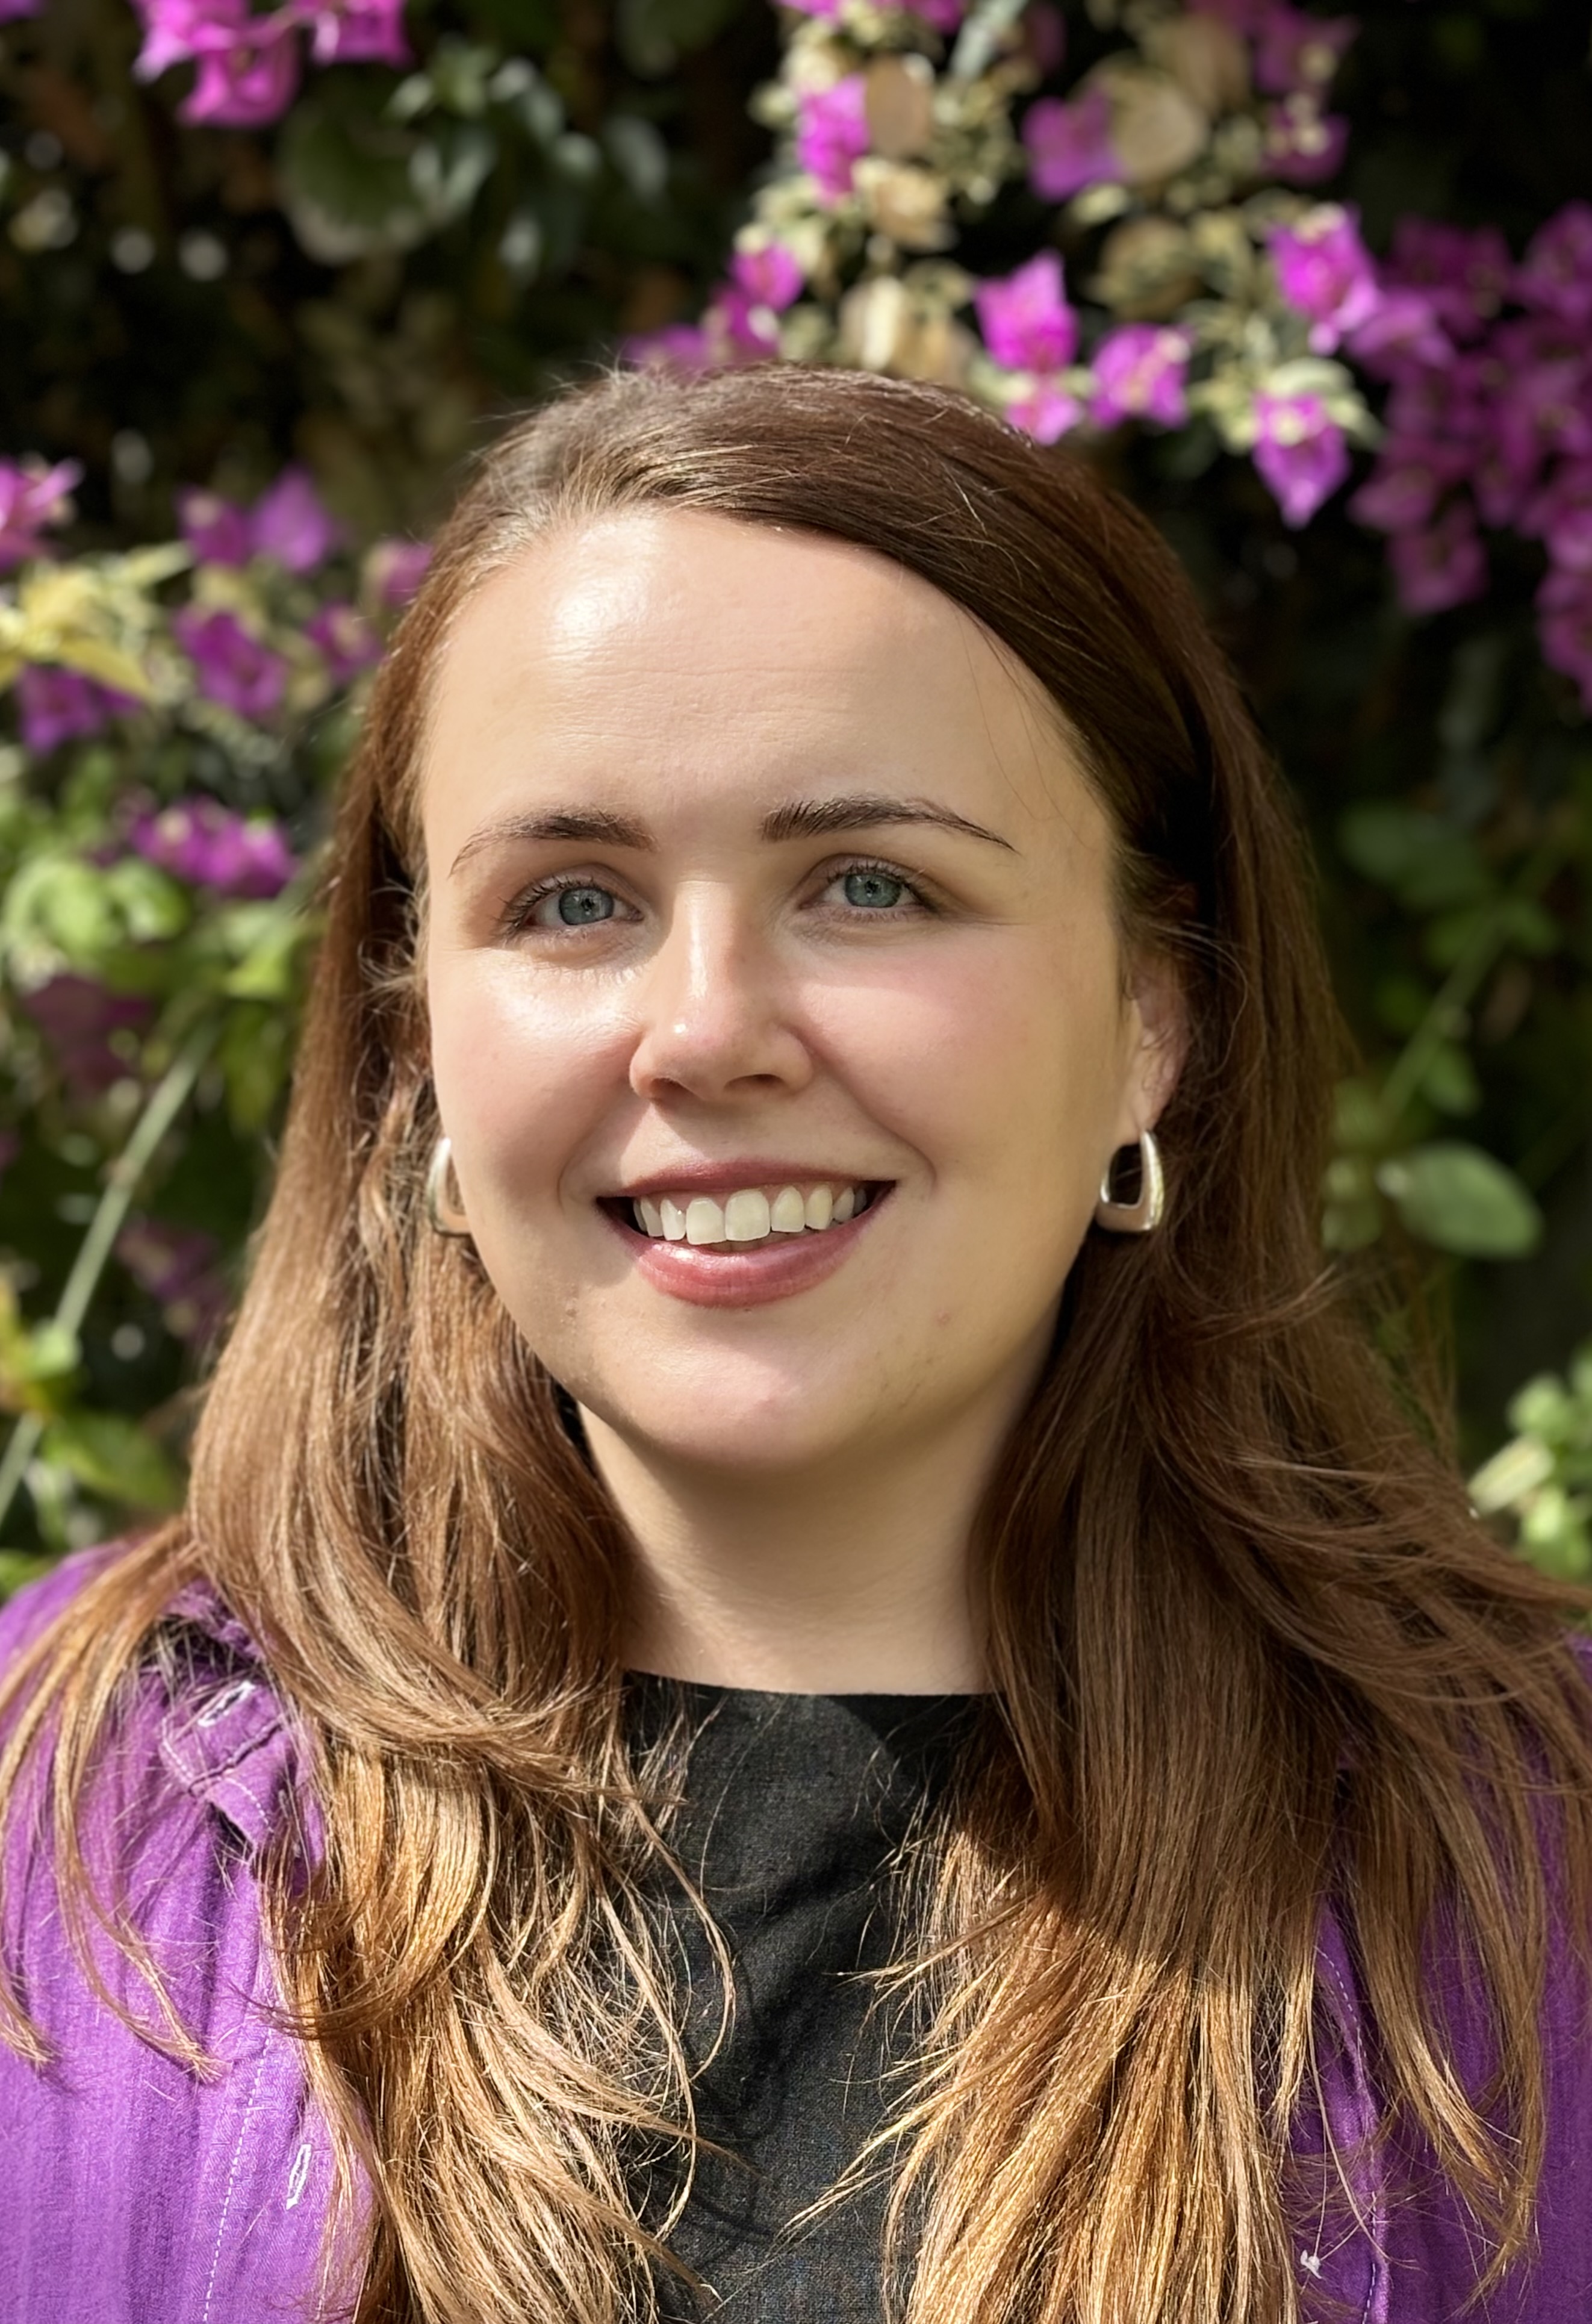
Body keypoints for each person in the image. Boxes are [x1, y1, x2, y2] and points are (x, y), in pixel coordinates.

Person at [2, 363, 1591, 2324]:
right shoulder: (62, 1817)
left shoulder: (1531, 1873)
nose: (702, 1031)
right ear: (418, 1044)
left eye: (868, 884)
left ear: (1150, 1020)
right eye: (570, 899)